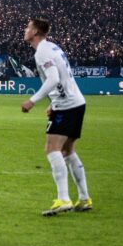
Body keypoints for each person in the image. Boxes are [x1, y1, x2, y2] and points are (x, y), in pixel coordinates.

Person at [20, 17, 92, 216]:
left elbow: (54, 78)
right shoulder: (52, 47)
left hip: (67, 106)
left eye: (28, 27)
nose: (25, 30)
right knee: (68, 150)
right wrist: (53, 102)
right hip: (76, 103)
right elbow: (63, 77)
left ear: (35, 32)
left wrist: (32, 101)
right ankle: (84, 198)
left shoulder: (42, 51)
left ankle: (63, 199)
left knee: (52, 149)